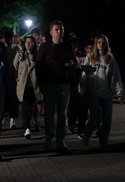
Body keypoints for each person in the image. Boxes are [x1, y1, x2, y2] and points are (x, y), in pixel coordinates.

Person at [36, 20, 77, 152]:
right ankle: (48, 138)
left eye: (61, 29)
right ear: (51, 32)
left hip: (64, 84)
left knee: (62, 114)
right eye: (57, 29)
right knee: (49, 113)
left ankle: (61, 140)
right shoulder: (44, 46)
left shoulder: (68, 46)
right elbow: (39, 65)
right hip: (49, 84)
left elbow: (74, 62)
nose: (60, 31)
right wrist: (41, 83)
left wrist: (71, 64)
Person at [79, 34, 124, 151]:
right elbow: (84, 75)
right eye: (99, 42)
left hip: (106, 94)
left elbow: (116, 76)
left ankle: (103, 142)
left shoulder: (110, 59)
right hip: (92, 93)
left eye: (103, 42)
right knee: (95, 117)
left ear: (106, 44)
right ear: (96, 44)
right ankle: (87, 135)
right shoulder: (89, 58)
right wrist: (82, 90)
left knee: (107, 119)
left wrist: (119, 93)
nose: (101, 44)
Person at [13, 36, 41, 140]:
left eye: (30, 42)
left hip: (35, 85)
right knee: (25, 108)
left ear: (34, 44)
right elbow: (15, 66)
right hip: (24, 86)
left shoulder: (38, 55)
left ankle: (35, 121)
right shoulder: (20, 55)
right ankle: (27, 128)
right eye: (26, 42)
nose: (28, 44)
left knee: (34, 106)